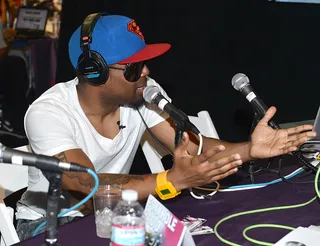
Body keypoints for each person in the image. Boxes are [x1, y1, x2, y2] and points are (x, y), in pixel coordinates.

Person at [15, 13, 316, 240]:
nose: (146, 71)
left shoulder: (144, 94)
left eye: (145, 62)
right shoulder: (47, 112)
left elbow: (195, 145)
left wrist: (250, 149)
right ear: (94, 71)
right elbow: (83, 183)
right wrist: (169, 181)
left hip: (111, 213)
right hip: (49, 223)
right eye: (134, 67)